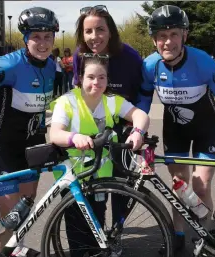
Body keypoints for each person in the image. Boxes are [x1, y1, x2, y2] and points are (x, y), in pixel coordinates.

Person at [137, 5, 215, 254]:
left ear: (184, 35)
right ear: (153, 39)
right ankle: (178, 234)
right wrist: (137, 131)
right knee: (179, 184)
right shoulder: (150, 65)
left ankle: (207, 235)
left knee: (200, 185)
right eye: (161, 36)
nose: (168, 41)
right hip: (175, 130)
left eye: (174, 34)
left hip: (206, 128)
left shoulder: (202, 61)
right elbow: (142, 101)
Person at [50, 54, 150, 257]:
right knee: (77, 228)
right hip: (73, 176)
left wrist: (137, 132)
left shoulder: (111, 101)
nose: (97, 82)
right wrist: (74, 137)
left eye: (102, 77)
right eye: (91, 77)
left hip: (100, 176)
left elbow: (140, 115)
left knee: (97, 227)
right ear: (80, 78)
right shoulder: (67, 102)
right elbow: (54, 134)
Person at [72, 6, 143, 255]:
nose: (94, 37)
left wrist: (137, 129)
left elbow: (143, 96)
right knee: (98, 185)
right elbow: (77, 91)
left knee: (122, 187)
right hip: (95, 129)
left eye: (100, 29)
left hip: (125, 128)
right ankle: (99, 234)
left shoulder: (130, 57)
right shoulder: (80, 55)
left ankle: (117, 233)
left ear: (111, 31)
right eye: (88, 31)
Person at [0, 6, 59, 256]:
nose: (42, 43)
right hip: (2, 146)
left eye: (47, 36)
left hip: (32, 148)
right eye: (36, 37)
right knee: (7, 219)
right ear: (25, 38)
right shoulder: (6, 66)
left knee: (24, 212)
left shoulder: (53, 67)